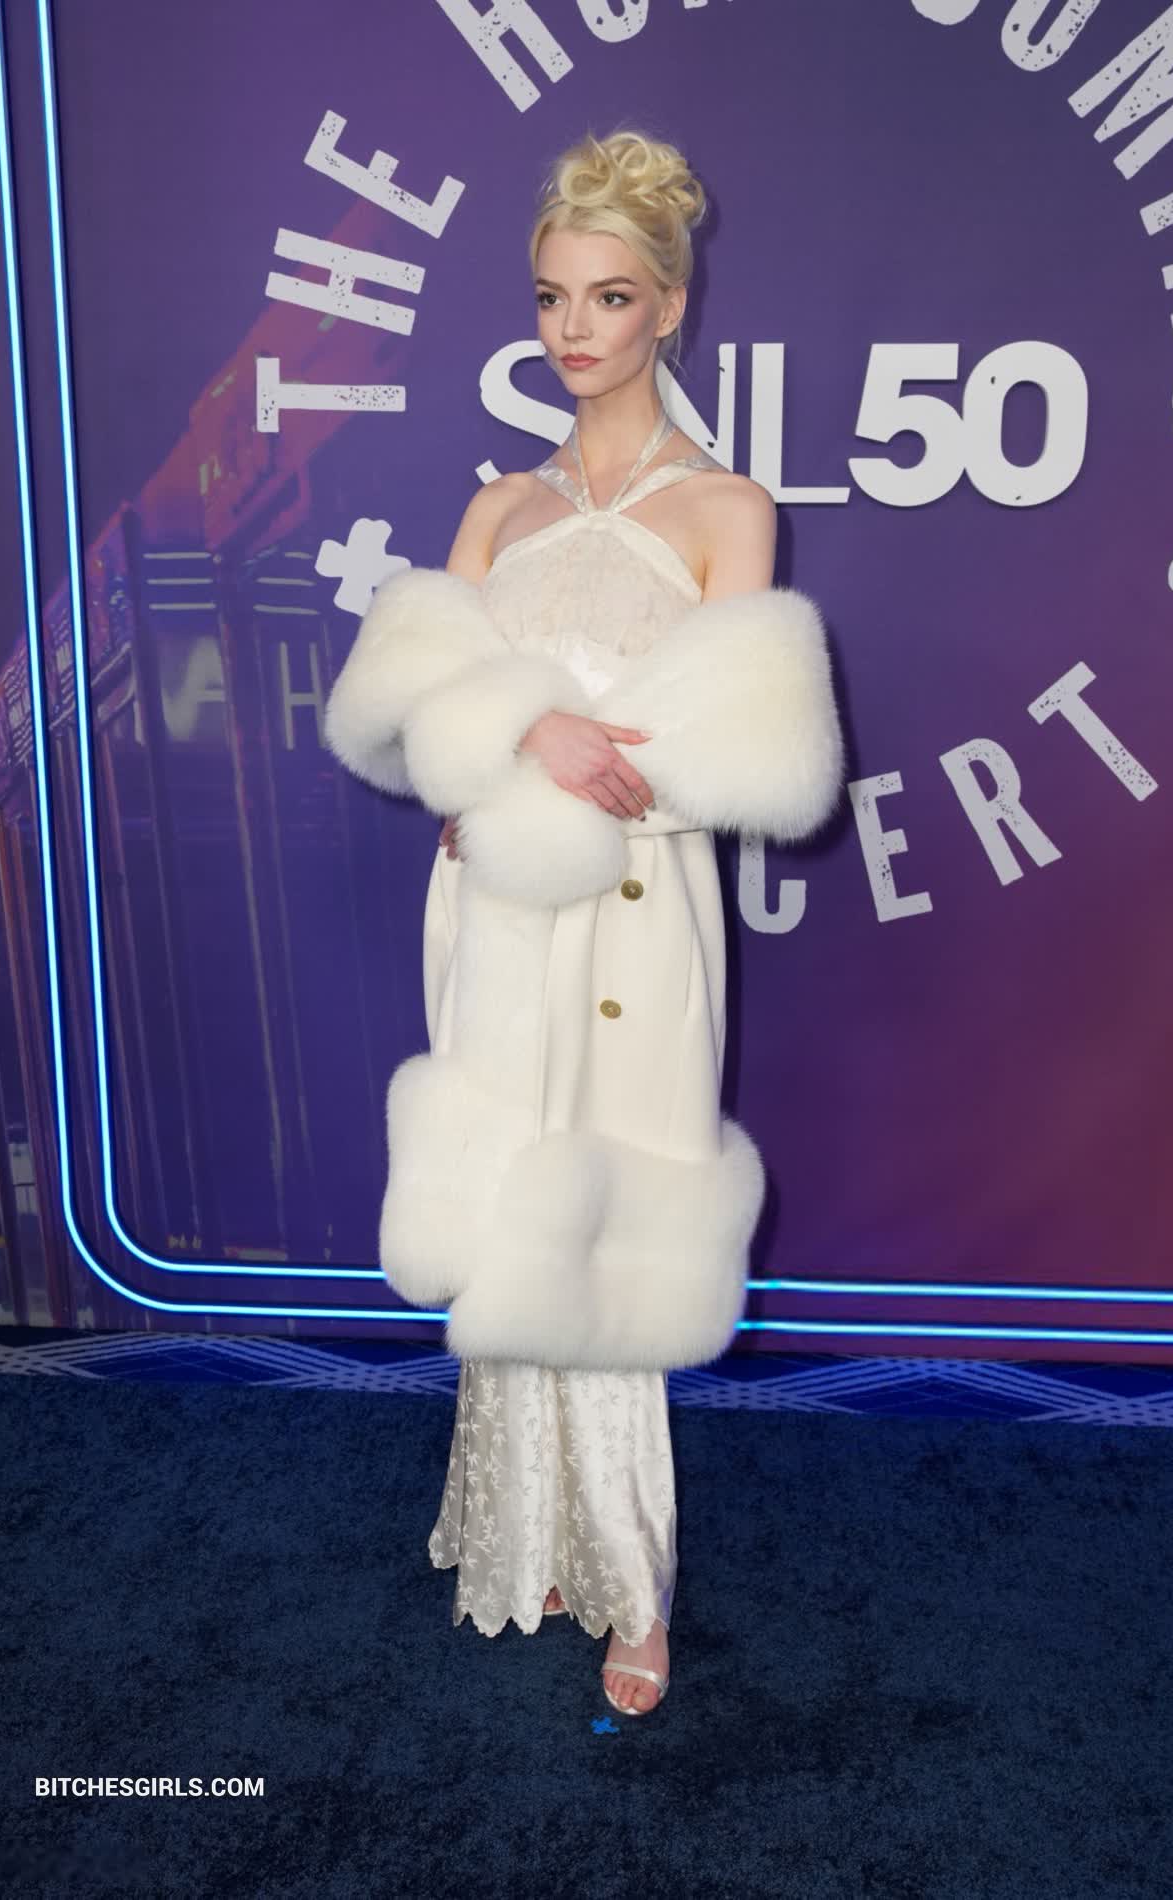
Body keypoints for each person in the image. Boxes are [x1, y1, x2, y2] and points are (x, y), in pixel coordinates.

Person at [322, 127, 845, 1719]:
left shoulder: (728, 508)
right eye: (552, 296)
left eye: (609, 297)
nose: (574, 327)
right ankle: (520, 1528)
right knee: (507, 1201)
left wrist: (553, 751)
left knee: (614, 1222)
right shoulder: (495, 508)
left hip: (636, 918)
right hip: (492, 913)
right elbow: (408, 726)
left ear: (668, 305)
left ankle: (629, 1573)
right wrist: (508, 739)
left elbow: (745, 753)